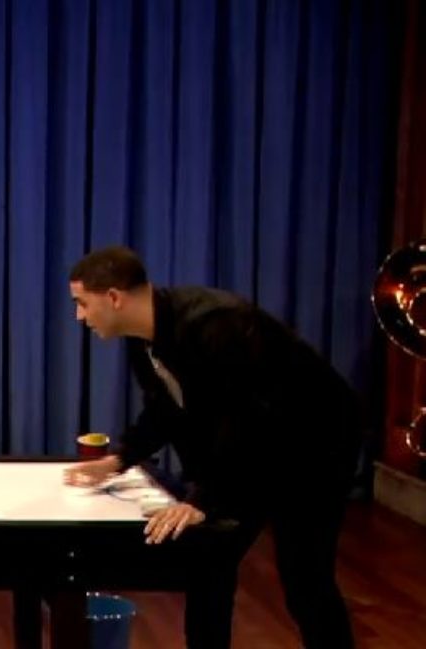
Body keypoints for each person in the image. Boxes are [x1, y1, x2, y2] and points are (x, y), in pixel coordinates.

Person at [62, 245, 364, 649]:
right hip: (252, 450)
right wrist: (119, 460)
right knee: (209, 560)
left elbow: (245, 418)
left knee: (305, 579)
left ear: (114, 297)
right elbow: (165, 407)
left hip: (315, 445)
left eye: (82, 303)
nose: (79, 316)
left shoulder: (216, 324)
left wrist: (204, 498)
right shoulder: (142, 339)